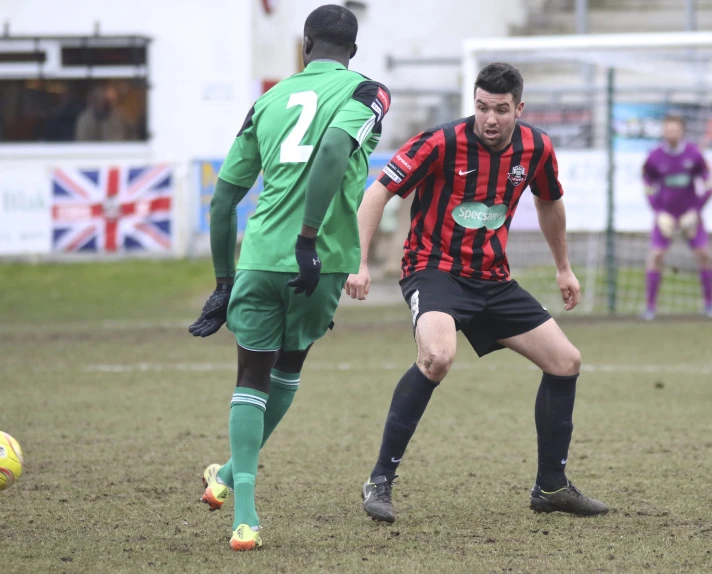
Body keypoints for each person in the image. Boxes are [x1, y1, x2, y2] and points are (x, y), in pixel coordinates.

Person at [345, 62, 608, 524]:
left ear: (519, 109)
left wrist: (564, 268)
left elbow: (549, 202)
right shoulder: (440, 142)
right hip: (435, 271)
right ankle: (380, 480)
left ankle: (551, 486)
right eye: (482, 107)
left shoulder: (537, 147)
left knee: (566, 361)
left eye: (501, 110)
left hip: (493, 278)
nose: (490, 118)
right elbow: (376, 194)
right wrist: (359, 261)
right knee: (438, 357)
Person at [188, 4, 390, 551]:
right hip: (320, 260)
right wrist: (307, 239)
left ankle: (239, 504)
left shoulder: (267, 100)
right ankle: (232, 487)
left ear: (305, 46)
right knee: (287, 372)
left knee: (249, 379)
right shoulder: (369, 92)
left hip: (258, 258)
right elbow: (331, 149)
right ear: (353, 50)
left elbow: (223, 198)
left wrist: (223, 281)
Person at [642, 114, 712, 320]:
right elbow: (647, 184)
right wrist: (658, 212)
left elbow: (708, 182)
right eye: (668, 129)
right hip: (665, 216)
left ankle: (709, 304)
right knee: (656, 256)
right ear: (664, 131)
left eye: (675, 129)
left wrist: (696, 210)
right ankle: (650, 307)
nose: (671, 133)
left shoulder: (694, 154)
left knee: (704, 255)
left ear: (682, 131)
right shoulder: (655, 157)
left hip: (690, 215)